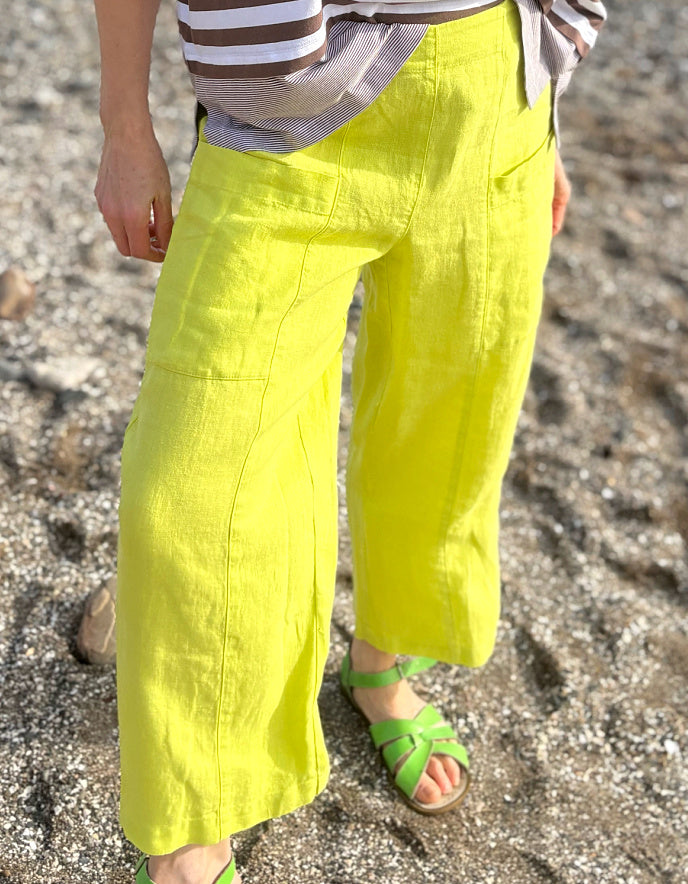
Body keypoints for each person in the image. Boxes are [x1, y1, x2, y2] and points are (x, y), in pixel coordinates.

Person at [94, 0, 606, 881]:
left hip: (494, 87)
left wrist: (542, 87)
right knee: (190, 486)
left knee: (448, 425)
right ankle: (192, 818)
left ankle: (381, 665)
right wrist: (125, 125)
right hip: (278, 119)